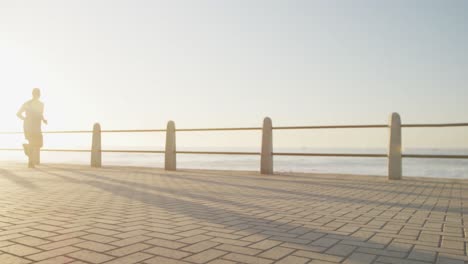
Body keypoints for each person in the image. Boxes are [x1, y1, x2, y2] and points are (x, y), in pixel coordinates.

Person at [16, 88, 48, 168]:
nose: (37, 95)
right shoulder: (28, 103)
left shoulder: (40, 104)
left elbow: (40, 114)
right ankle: (31, 162)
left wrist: (43, 120)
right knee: (32, 143)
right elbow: (18, 113)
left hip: (35, 126)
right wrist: (25, 119)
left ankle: (26, 148)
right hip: (30, 126)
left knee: (37, 144)